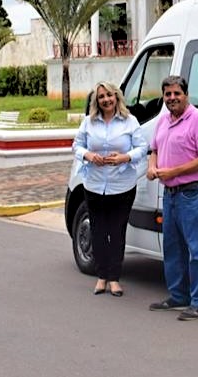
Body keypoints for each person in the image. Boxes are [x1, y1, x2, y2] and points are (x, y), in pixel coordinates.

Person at [147, 75, 198, 321]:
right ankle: (178, 296)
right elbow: (154, 149)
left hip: (191, 193)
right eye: (168, 94)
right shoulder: (163, 121)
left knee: (197, 248)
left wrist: (174, 171)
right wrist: (152, 166)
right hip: (169, 194)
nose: (172, 98)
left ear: (186, 94)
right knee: (172, 247)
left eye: (177, 93)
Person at [72, 81, 148, 297]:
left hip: (122, 186)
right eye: (101, 97)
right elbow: (76, 145)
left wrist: (125, 157)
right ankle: (101, 276)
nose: (106, 100)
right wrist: (89, 155)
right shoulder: (89, 122)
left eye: (109, 95)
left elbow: (142, 148)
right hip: (95, 185)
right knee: (98, 232)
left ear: (117, 97)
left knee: (116, 233)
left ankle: (114, 278)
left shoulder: (129, 121)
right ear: (97, 101)